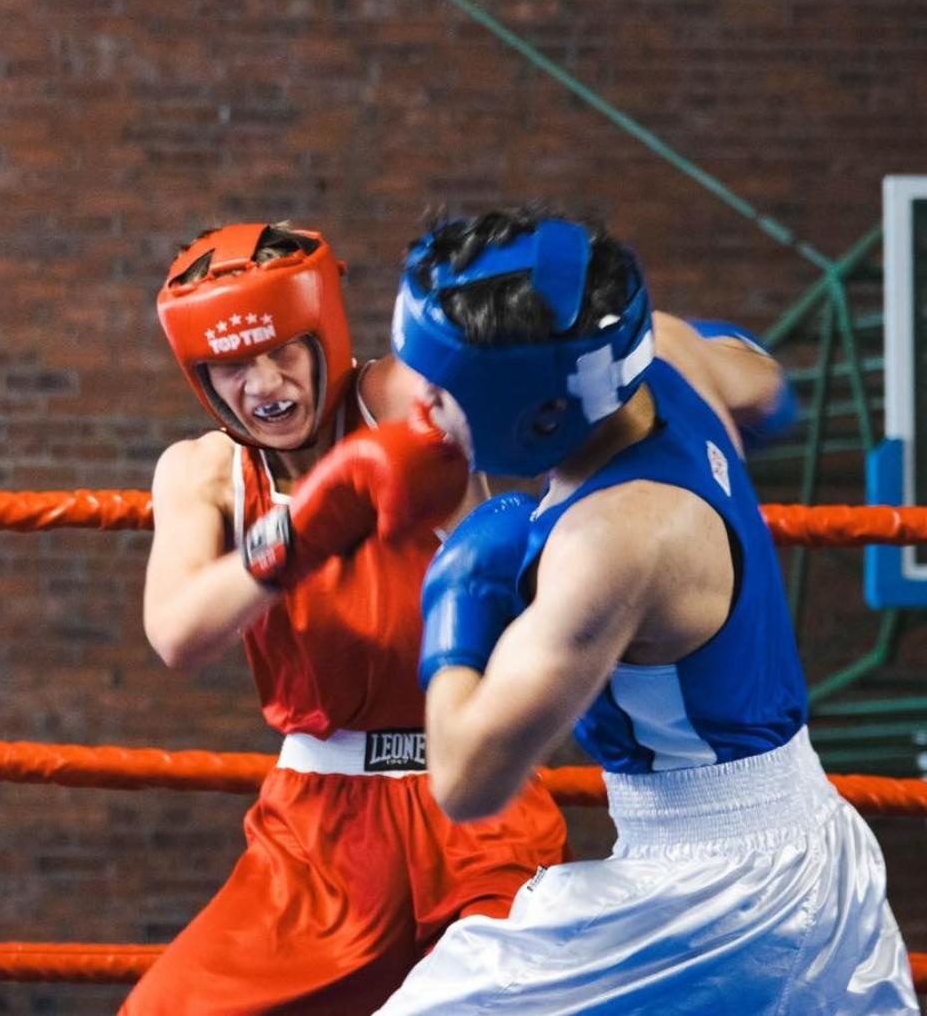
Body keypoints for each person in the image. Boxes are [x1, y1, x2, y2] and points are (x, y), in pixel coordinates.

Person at [376, 209, 919, 1012]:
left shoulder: (611, 543)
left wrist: (456, 597)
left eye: (443, 392)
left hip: (719, 894)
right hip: (809, 847)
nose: (419, 404)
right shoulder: (665, 348)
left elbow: (464, 780)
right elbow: (766, 385)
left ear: (538, 415)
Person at [125, 222, 570, 1015]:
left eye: (283, 350)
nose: (263, 382)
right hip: (319, 830)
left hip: (473, 797)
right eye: (232, 362)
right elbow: (175, 629)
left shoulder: (399, 398)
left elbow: (537, 388)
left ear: (325, 332)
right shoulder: (203, 471)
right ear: (201, 374)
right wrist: (309, 526)